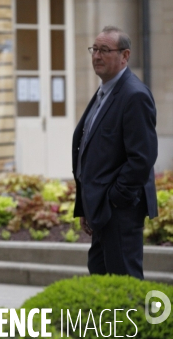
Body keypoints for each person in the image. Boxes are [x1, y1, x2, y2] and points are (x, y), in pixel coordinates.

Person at [73, 26, 157, 279]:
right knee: (99, 277)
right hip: (101, 208)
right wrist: (89, 206)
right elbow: (91, 151)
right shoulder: (104, 92)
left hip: (119, 211)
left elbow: (141, 158)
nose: (96, 56)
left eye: (105, 50)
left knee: (125, 283)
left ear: (125, 56)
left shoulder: (134, 95)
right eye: (94, 49)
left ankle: (131, 321)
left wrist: (114, 200)